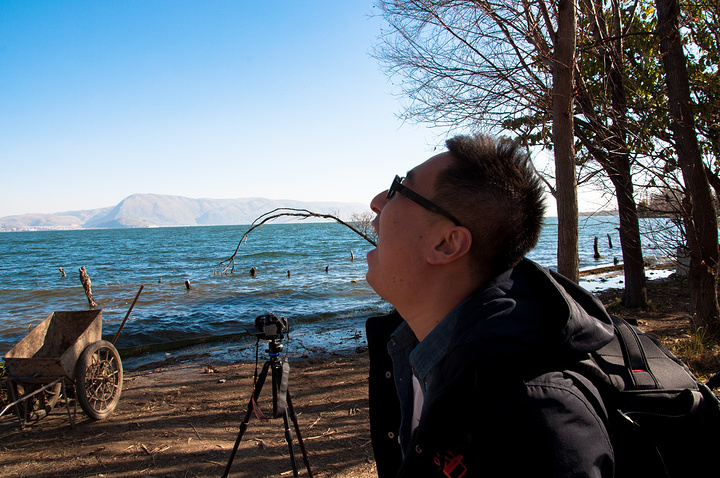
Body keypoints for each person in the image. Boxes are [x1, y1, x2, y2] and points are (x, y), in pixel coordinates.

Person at [365, 133, 615, 477]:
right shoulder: (405, 351)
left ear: (446, 243)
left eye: (400, 188)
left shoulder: (534, 420)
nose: (377, 201)